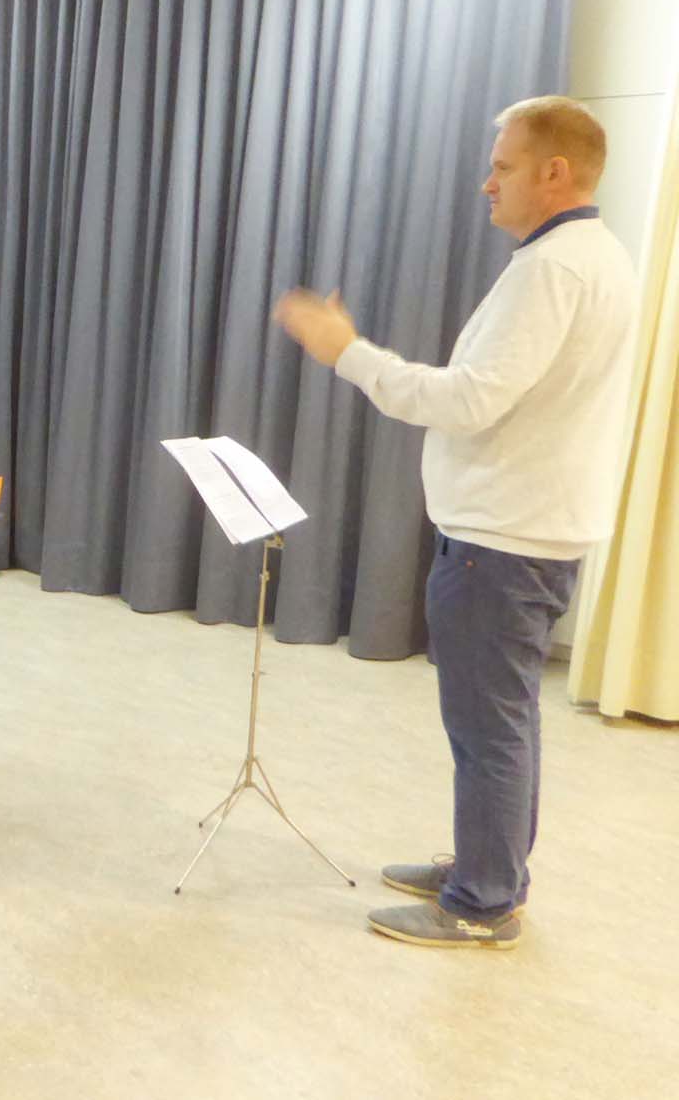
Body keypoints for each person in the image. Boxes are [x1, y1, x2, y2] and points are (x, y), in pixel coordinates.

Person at [274, 95, 637, 950]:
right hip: (529, 529)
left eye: (504, 167)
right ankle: (491, 869)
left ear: (556, 171)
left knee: (489, 729)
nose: (487, 183)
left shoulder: (553, 270)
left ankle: (481, 902)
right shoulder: (592, 254)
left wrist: (346, 352)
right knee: (504, 720)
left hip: (502, 541)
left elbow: (469, 400)